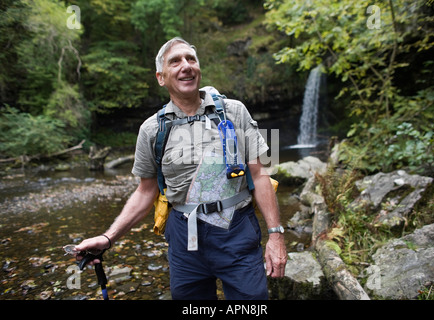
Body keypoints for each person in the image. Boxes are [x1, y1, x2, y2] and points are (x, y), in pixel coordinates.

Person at [74, 37, 287, 300]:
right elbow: (145, 192)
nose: (185, 66)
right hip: (184, 238)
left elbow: (260, 174)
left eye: (191, 59)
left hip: (237, 231)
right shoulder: (152, 130)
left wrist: (276, 236)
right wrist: (108, 238)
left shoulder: (234, 112)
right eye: (175, 61)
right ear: (161, 77)